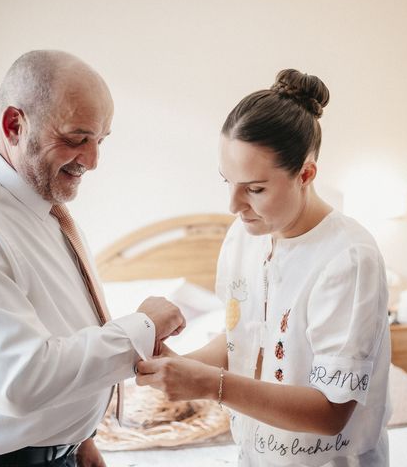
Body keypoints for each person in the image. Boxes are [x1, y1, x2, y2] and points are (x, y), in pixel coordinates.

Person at [0, 50, 185, 467]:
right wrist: (141, 328)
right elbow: (19, 380)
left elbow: (57, 324)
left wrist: (79, 437)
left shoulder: (36, 198)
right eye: (76, 138)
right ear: (14, 125)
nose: (92, 161)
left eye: (100, 141)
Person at [135, 69, 391, 466]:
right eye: (228, 182)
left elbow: (330, 413)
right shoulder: (244, 238)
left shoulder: (348, 259)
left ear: (305, 174)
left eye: (254, 189)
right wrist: (178, 365)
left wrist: (210, 385)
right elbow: (242, 338)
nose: (234, 206)